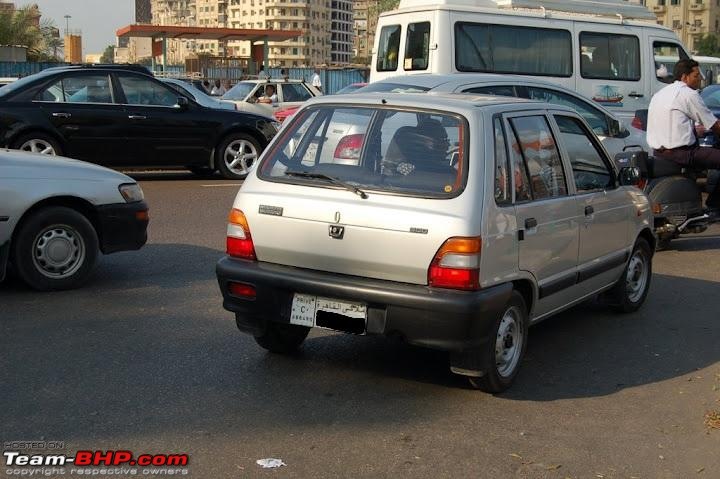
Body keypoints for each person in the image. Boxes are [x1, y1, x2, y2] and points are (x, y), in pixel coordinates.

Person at [647, 58, 720, 214]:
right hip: (682, 154)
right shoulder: (688, 93)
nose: (700, 78)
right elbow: (714, 125)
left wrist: (694, 130)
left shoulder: (661, 93)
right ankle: (714, 205)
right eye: (696, 75)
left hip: (659, 153)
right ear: (684, 77)